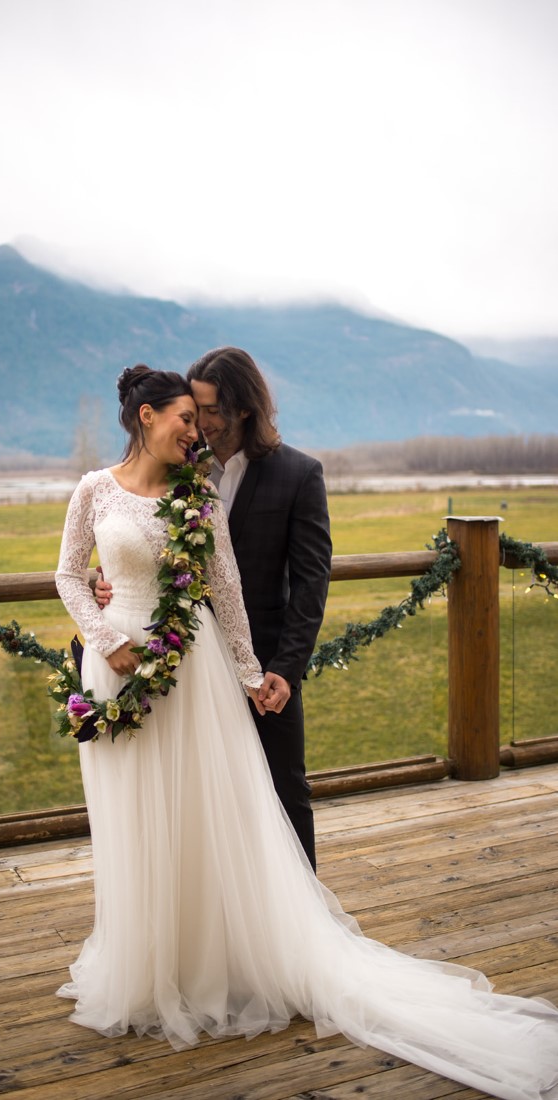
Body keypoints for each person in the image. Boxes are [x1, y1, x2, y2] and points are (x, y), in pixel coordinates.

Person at [55, 364, 558, 1099]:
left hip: (189, 673)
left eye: (202, 419)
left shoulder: (201, 495)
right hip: (115, 672)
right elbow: (70, 574)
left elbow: (225, 590)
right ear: (144, 416)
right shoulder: (93, 489)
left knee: (203, 812)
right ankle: (142, 964)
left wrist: (255, 674)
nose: (195, 429)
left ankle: (210, 964)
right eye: (183, 418)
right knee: (132, 817)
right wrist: (102, 636)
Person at [97, 346, 330, 870]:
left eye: (207, 410)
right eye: (191, 410)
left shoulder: (299, 474)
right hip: (186, 658)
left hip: (265, 662)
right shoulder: (177, 465)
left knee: (284, 787)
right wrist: (101, 581)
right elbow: (129, 536)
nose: (196, 421)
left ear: (243, 408)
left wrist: (286, 669)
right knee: (196, 798)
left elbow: (312, 584)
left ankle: (303, 915)